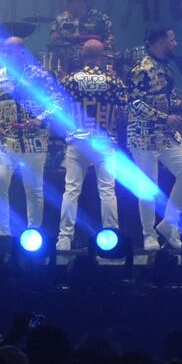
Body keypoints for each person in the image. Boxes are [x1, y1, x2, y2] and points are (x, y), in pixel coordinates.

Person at [0, 36, 62, 237]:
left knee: (33, 189)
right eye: (3, 52)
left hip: (34, 140)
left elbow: (57, 102)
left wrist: (39, 120)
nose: (5, 55)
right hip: (5, 140)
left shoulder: (40, 76)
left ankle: (33, 231)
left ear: (22, 53)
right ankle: (3, 231)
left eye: (9, 51)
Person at [128, 27, 182, 251]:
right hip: (144, 136)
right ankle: (148, 234)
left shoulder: (166, 68)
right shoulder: (141, 69)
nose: (175, 44)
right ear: (160, 42)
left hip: (165, 134)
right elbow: (134, 103)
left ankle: (169, 223)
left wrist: (181, 105)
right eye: (172, 40)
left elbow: (167, 99)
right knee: (149, 187)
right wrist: (164, 117)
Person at [56, 40, 127, 251]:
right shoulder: (113, 81)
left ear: (83, 55)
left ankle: (64, 238)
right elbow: (124, 108)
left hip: (78, 140)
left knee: (71, 190)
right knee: (107, 190)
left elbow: (59, 107)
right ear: (102, 56)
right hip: (104, 140)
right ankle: (112, 235)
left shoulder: (70, 80)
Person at [48, 0, 115, 74]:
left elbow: (110, 47)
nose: (66, 4)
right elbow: (52, 47)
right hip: (67, 70)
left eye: (70, 1)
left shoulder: (100, 19)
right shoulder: (60, 20)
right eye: (65, 1)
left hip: (95, 71)